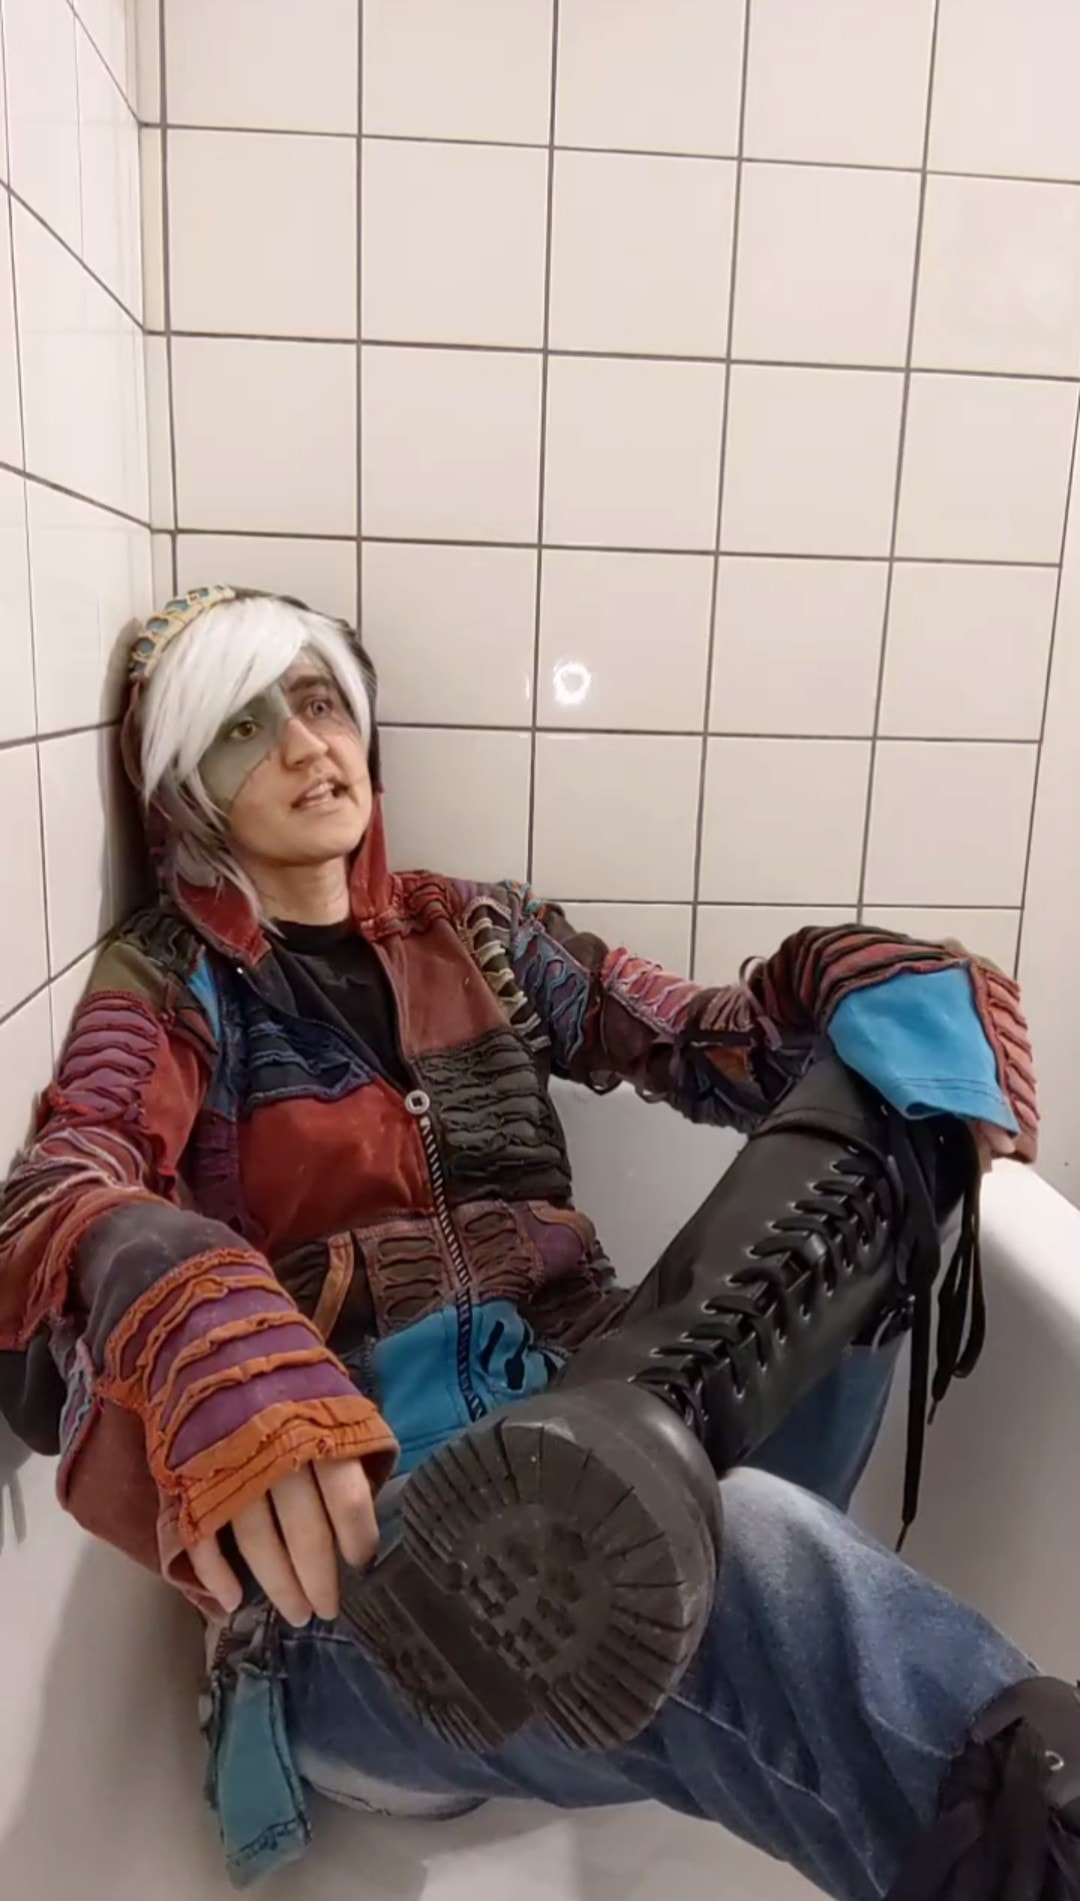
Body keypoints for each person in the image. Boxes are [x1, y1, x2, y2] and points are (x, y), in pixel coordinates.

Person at [0, 584, 1074, 1901]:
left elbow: (703, 1044)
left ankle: (664, 1500)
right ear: (183, 787)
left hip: (600, 1426)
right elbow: (68, 1177)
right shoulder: (173, 983)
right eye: (242, 726)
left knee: (886, 1108)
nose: (303, 745)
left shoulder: (475, 931)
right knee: (702, 1544)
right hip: (368, 1601)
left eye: (320, 703)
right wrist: (181, 1292)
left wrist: (856, 987)